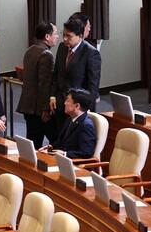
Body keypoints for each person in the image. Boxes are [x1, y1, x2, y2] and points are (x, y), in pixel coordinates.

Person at [50, 18, 98, 133]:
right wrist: (52, 95)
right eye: (63, 34)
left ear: (80, 36)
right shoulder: (62, 47)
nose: (65, 39)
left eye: (69, 36)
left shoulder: (91, 53)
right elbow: (56, 74)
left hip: (77, 108)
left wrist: (84, 110)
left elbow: (93, 86)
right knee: (60, 137)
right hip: (60, 104)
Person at [16, 21, 58, 149]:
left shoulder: (30, 50)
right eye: (55, 33)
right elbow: (44, 84)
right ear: (47, 36)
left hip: (27, 105)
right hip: (38, 109)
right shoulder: (46, 55)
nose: (57, 37)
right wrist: (45, 109)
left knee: (33, 142)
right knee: (57, 141)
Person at [38, 88, 96, 159]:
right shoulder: (69, 119)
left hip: (71, 162)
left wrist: (65, 154)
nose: (65, 103)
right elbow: (61, 140)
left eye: (68, 100)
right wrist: (51, 146)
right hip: (59, 158)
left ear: (77, 106)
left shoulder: (86, 125)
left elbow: (86, 152)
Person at [70, 12, 102, 112]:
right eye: (88, 26)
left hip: (82, 104)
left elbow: (93, 81)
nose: (89, 29)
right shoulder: (64, 47)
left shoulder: (91, 51)